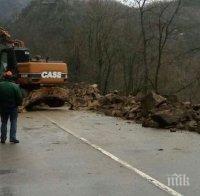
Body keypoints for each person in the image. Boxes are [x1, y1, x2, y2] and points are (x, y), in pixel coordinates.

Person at [0, 71, 23, 144]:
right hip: (13, 107)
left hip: (3, 107)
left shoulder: (0, 85)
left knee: (4, 122)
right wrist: (19, 104)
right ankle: (13, 138)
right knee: (13, 122)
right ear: (11, 77)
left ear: (4, 77)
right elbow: (19, 97)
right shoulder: (15, 86)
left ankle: (3, 138)